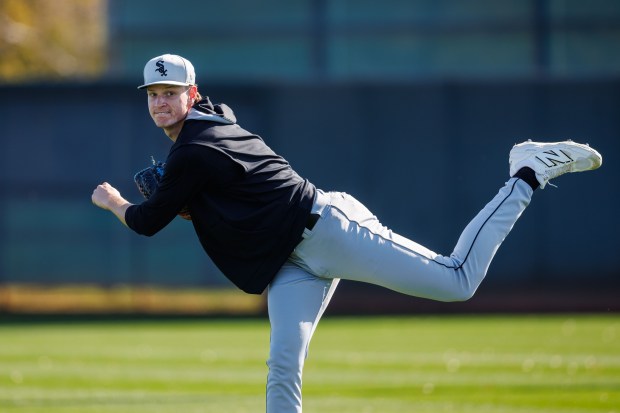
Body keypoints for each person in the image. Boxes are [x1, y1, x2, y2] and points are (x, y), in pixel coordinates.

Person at [91, 54, 602, 412]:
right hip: (289, 263)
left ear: (191, 94)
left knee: (458, 280)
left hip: (328, 228)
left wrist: (113, 201)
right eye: (154, 94)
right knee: (283, 362)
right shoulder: (213, 120)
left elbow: (145, 222)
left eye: (171, 93)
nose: (160, 102)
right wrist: (192, 197)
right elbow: (218, 132)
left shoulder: (194, 152)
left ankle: (526, 172)